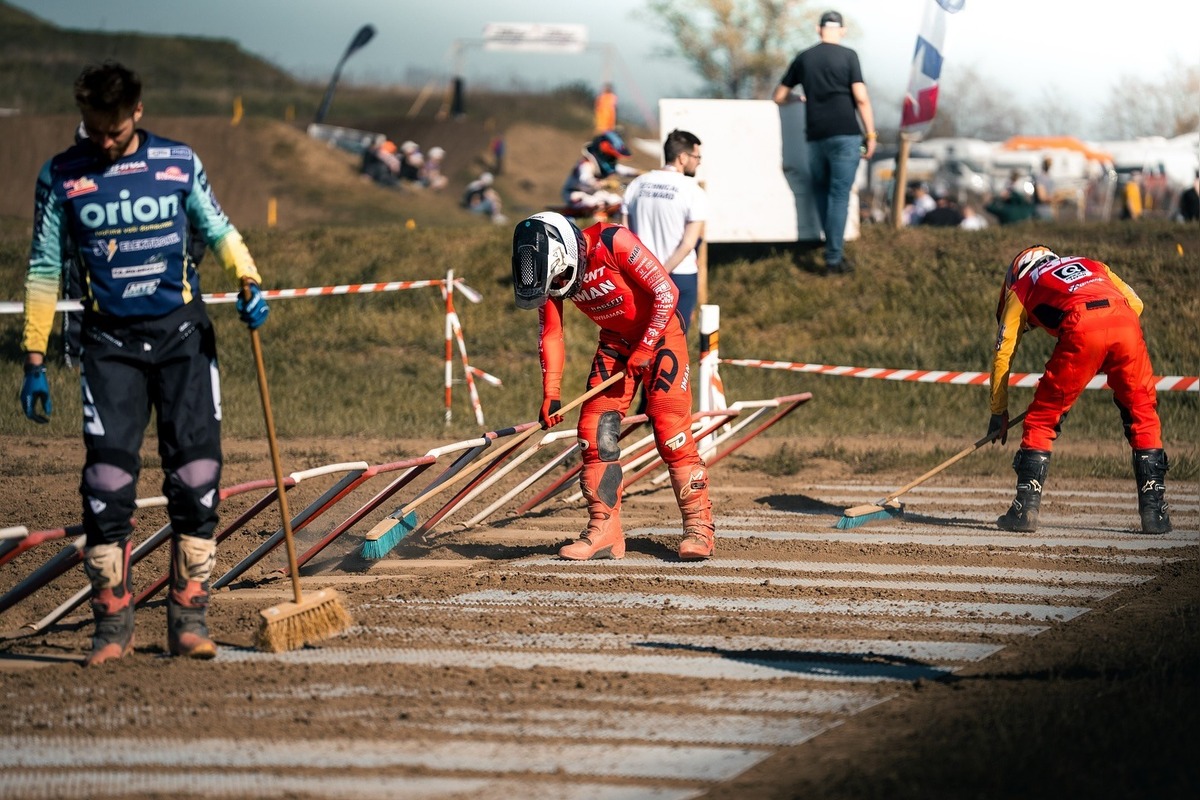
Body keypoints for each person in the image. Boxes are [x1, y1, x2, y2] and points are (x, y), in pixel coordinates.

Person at [18, 61, 270, 666]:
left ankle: (188, 616)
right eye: (92, 127)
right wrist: (34, 356)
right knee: (106, 486)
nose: (102, 141)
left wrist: (248, 276)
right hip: (108, 347)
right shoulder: (61, 175)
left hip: (183, 339)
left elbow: (218, 227)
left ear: (137, 113)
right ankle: (112, 626)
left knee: (196, 478)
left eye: (112, 128)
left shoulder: (178, 163)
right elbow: (44, 268)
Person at [511, 212, 716, 560]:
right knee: (593, 433)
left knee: (670, 431)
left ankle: (699, 526)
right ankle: (604, 529)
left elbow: (667, 292)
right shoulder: (548, 272)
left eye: (561, 276)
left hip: (662, 333)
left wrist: (648, 344)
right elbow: (551, 333)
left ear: (569, 254)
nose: (560, 283)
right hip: (616, 345)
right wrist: (551, 393)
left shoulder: (613, 242)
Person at [987, 245, 1171, 535]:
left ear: (1017, 271)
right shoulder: (1093, 264)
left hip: (1081, 327)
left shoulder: (1022, 286)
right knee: (1141, 413)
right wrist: (1105, 350)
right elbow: (1136, 304)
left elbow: (1003, 353)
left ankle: (1024, 510)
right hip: (1125, 324)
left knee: (1042, 418)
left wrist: (998, 410)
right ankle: (1155, 514)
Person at [773, 9, 876, 273]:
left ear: (819, 30)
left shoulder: (804, 58)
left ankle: (828, 242)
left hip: (815, 136)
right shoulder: (849, 56)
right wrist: (872, 134)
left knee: (821, 191)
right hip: (845, 134)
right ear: (842, 30)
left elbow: (779, 95)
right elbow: (861, 97)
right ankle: (834, 258)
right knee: (839, 195)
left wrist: (797, 98)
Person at [622, 129, 709, 332]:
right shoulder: (693, 191)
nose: (699, 162)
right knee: (673, 345)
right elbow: (688, 244)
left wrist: (646, 274)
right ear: (683, 157)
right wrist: (661, 274)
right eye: (697, 157)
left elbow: (624, 235)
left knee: (640, 340)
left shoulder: (637, 184)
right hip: (679, 275)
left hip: (640, 275)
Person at [562, 130, 640, 215]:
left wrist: (639, 172)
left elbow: (621, 169)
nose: (612, 160)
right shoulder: (587, 163)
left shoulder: (604, 165)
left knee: (618, 201)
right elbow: (585, 179)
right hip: (575, 194)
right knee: (598, 203)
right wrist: (606, 183)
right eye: (611, 157)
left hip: (593, 193)